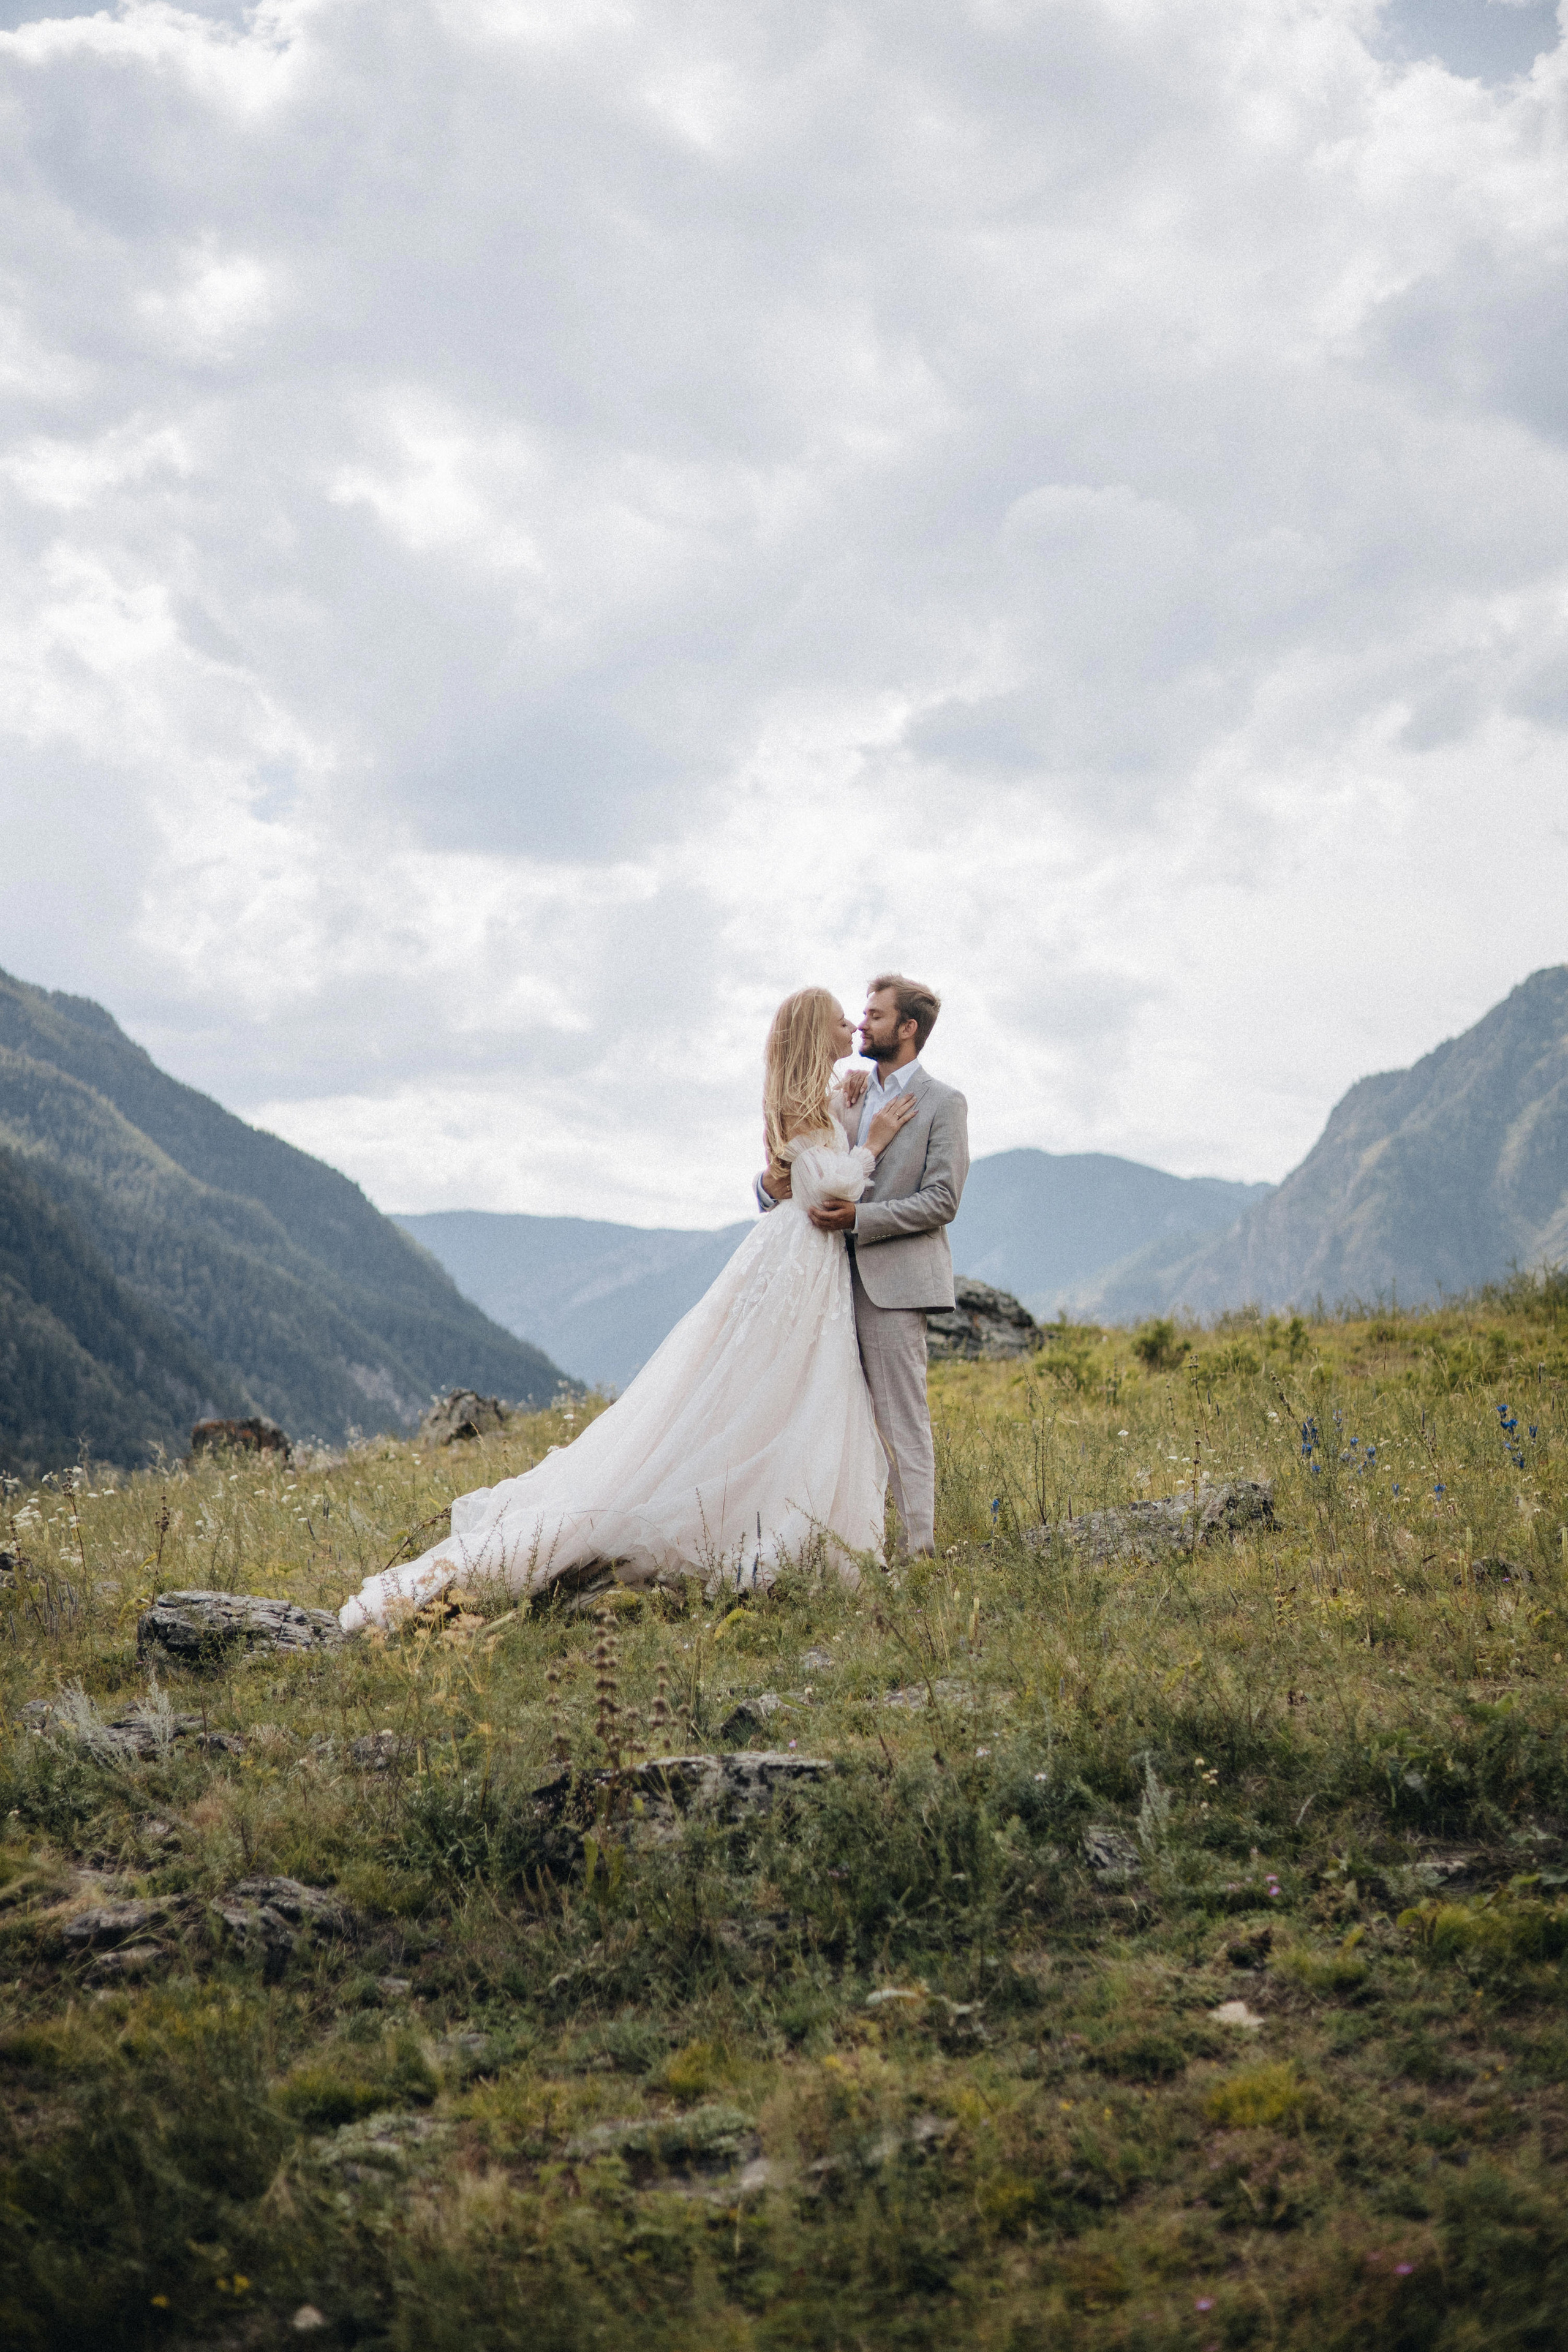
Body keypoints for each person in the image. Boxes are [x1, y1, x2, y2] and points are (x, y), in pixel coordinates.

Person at [337, 989, 921, 1631]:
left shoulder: (822, 1097)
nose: (851, 1025)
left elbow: (809, 1155)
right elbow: (819, 1189)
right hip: (798, 1260)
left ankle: (801, 1524)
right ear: (818, 1032)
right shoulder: (805, 1104)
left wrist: (848, 1113)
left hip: (806, 1266)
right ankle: (765, 1526)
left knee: (801, 1389)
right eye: (841, 1018)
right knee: (777, 1386)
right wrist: (872, 1146)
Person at [756, 974, 968, 1558]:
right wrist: (766, 1184)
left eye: (874, 1016)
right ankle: (847, 1544)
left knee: (902, 1423)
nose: (860, 1024)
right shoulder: (842, 1097)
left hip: (892, 1285)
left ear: (907, 1029)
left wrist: (858, 1220)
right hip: (825, 1284)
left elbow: (942, 1201)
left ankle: (917, 1552)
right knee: (834, 1419)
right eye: (859, 1014)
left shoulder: (943, 1104)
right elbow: (798, 1163)